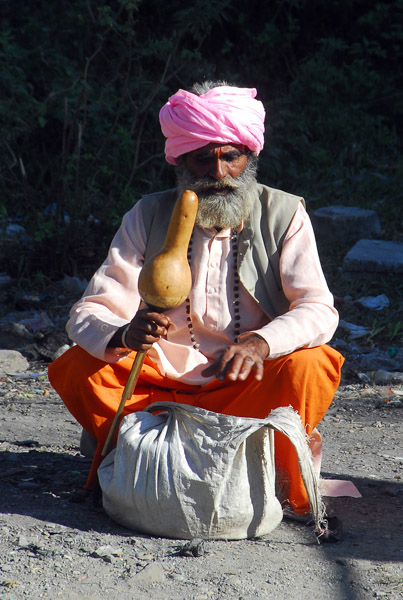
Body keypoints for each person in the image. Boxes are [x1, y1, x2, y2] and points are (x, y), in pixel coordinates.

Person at [48, 81, 344, 517]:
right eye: (202, 158)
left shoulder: (284, 213)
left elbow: (318, 308)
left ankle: (271, 476)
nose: (218, 172)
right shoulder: (147, 214)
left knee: (312, 365)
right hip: (155, 388)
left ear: (249, 158)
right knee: (79, 366)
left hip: (241, 386)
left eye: (230, 156)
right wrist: (125, 335)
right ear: (181, 161)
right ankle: (130, 454)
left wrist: (260, 344)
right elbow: (89, 312)